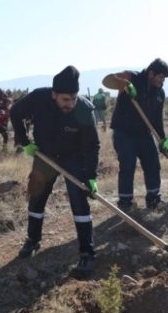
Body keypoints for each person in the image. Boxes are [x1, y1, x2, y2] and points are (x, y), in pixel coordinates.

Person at [10, 65, 100, 278]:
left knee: (79, 202)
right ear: (54, 95)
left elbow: (92, 146)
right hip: (45, 155)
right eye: (65, 100)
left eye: (73, 99)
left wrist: (90, 176)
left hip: (73, 157)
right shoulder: (38, 98)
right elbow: (15, 113)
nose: (70, 104)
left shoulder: (84, 111)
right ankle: (33, 240)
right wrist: (25, 142)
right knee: (36, 196)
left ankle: (87, 252)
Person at [103, 58, 168, 210]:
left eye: (164, 79)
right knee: (127, 166)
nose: (162, 81)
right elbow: (107, 80)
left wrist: (162, 140)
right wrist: (126, 84)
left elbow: (157, 120)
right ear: (151, 73)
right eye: (160, 77)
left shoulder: (160, 92)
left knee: (153, 163)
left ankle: (154, 199)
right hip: (124, 132)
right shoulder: (133, 77)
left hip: (144, 133)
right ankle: (125, 203)